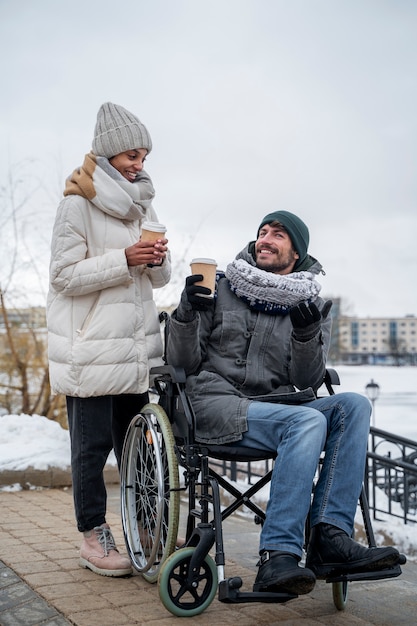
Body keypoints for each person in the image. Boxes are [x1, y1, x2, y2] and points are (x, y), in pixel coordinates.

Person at [166, 210, 401, 596]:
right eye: (262, 232)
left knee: (354, 405)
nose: (265, 239)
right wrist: (187, 312)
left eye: (278, 234)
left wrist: (308, 336)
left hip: (273, 408)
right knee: (305, 422)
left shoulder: (312, 306)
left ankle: (329, 537)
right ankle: (278, 555)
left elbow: (305, 382)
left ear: (297, 252)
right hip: (212, 403)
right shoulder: (219, 288)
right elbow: (181, 363)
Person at [47, 102, 171, 577]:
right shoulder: (75, 204)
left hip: (134, 347)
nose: (139, 163)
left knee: (138, 445)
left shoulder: (144, 204)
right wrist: (123, 258)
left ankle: (144, 526)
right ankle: (93, 536)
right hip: (91, 347)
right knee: (92, 448)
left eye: (143, 155)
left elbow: (158, 280)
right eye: (131, 154)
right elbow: (62, 276)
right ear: (107, 153)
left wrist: (156, 258)